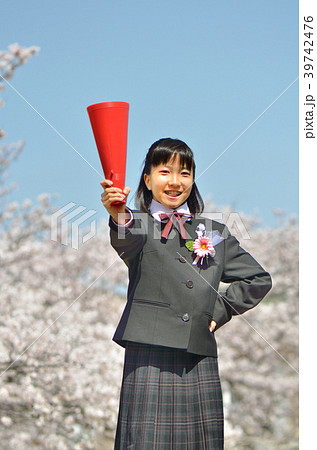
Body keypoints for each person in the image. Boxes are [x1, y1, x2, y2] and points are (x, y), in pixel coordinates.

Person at [100, 138, 272, 450]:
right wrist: (117, 213)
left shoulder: (215, 233)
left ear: (193, 180)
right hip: (149, 354)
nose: (175, 182)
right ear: (148, 180)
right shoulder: (138, 224)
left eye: (185, 173)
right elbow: (124, 232)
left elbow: (258, 279)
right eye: (165, 172)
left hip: (198, 356)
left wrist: (217, 313)